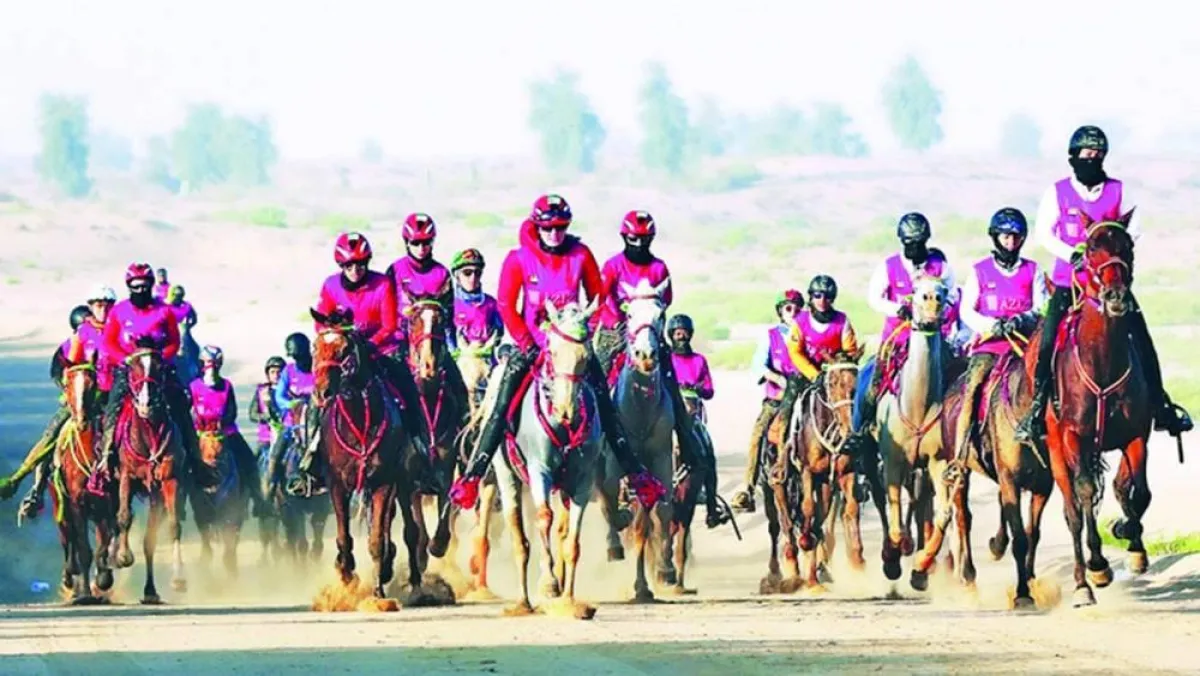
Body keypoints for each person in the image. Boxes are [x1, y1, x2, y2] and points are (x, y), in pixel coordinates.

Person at [450, 194, 665, 509]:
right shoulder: (518, 258)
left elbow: (598, 297)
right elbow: (508, 305)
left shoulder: (580, 255)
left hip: (571, 347)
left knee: (605, 405)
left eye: (561, 227)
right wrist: (526, 342)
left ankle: (636, 476)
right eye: (548, 227)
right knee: (500, 405)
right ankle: (472, 477)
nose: (555, 233)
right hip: (533, 347)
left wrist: (583, 336)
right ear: (537, 227)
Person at [1015, 125, 1193, 441]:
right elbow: (1044, 232)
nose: (1092, 159)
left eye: (1098, 155)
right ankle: (1036, 409)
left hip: (1112, 284)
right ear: (1073, 157)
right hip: (1068, 283)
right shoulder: (1057, 192)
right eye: (1086, 154)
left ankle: (1160, 406)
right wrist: (1072, 253)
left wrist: (1113, 250)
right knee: (1045, 343)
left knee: (1142, 338)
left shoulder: (1118, 190)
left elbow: (1133, 229)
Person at [598, 210, 723, 527]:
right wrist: (620, 322)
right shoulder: (613, 266)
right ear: (625, 238)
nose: (639, 243)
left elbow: (665, 301)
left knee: (672, 389)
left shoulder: (659, 268)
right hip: (617, 333)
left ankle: (689, 444)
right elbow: (604, 300)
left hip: (651, 335)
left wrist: (650, 326)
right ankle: (594, 446)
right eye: (634, 239)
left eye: (644, 239)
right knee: (594, 379)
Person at [292, 232, 428, 495]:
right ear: (341, 267)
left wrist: (364, 347)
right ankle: (310, 462)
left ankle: (420, 452)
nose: (356, 270)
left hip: (379, 352)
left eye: (361, 264)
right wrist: (336, 339)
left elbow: (389, 325)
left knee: (408, 391)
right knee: (315, 402)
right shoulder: (330, 286)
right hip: (340, 356)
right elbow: (321, 323)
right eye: (349, 266)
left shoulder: (382, 284)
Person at [845, 213, 957, 452]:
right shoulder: (888, 267)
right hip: (897, 339)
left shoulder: (940, 266)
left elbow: (954, 294)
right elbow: (874, 297)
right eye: (910, 243)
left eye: (920, 243)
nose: (915, 248)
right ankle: (860, 430)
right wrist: (898, 308)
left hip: (933, 339)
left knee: (957, 377)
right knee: (870, 380)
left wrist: (938, 309)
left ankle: (961, 434)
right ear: (902, 241)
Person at [2, 287, 116, 519]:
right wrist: (71, 392)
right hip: (83, 400)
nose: (102, 309)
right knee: (52, 434)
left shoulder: (119, 330)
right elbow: (61, 369)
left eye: (106, 304)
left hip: (114, 397)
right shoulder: (79, 337)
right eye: (97, 305)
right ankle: (29, 485)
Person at [952, 208, 1047, 461]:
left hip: (1025, 343)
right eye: (1005, 237)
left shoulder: (1033, 270)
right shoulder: (979, 271)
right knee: (971, 388)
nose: (1011, 242)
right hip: (990, 346)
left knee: (1049, 380)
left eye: (1016, 237)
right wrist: (990, 325)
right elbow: (966, 310)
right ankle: (960, 456)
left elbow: (1041, 306)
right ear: (995, 237)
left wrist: (1021, 319)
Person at [96, 264, 189, 481]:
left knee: (181, 404)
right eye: (135, 286)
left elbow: (175, 342)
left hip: (158, 370)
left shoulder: (164, 311)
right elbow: (109, 342)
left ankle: (193, 456)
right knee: (113, 407)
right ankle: (108, 455)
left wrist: (159, 359)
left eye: (145, 286)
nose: (140, 290)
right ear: (129, 287)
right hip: (127, 369)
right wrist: (125, 359)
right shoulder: (119, 311)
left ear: (151, 286)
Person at [730, 289, 804, 513]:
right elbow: (758, 365)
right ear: (781, 311)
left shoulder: (807, 334)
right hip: (776, 399)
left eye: (798, 309)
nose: (793, 312)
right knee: (757, 435)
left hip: (803, 397)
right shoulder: (770, 335)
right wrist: (778, 378)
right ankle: (748, 488)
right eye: (788, 308)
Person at [775, 275, 862, 429]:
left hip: (835, 373)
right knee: (788, 405)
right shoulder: (800, 321)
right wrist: (814, 375)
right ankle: (781, 440)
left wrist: (835, 369)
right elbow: (795, 352)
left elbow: (850, 351)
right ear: (811, 296)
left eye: (828, 297)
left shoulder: (842, 321)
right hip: (805, 374)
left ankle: (864, 437)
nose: (822, 300)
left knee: (857, 398)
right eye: (817, 295)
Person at [189, 345, 267, 515]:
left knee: (249, 460)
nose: (212, 367)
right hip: (200, 435)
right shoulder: (194, 386)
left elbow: (232, 410)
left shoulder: (226, 385)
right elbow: (189, 411)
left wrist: (222, 423)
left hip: (227, 434)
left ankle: (258, 500)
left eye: (215, 363)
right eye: (208, 363)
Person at [667, 313, 727, 523]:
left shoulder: (699, 360)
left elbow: (710, 390)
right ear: (671, 335)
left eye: (684, 333)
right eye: (677, 333)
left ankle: (712, 508)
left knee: (708, 454)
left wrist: (698, 388)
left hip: (693, 415)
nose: (681, 336)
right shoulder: (665, 358)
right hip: (668, 411)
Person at [271, 334, 317, 496]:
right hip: (292, 423)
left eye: (301, 357)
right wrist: (290, 404)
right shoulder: (288, 371)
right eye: (295, 357)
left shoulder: (318, 367)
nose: (298, 361)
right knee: (274, 457)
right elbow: (279, 396)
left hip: (316, 423)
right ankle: (267, 496)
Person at [451, 248, 504, 354]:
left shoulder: (492, 304)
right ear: (457, 276)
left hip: (486, 362)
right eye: (467, 273)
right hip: (457, 363)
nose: (473, 278)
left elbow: (499, 335)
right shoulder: (449, 304)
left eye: (477, 273)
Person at [249, 356, 286, 460]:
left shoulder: (290, 392)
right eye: (272, 372)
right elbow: (252, 414)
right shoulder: (261, 391)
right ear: (268, 374)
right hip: (265, 437)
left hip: (286, 436)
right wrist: (266, 417)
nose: (276, 375)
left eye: (279, 372)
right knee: (252, 463)